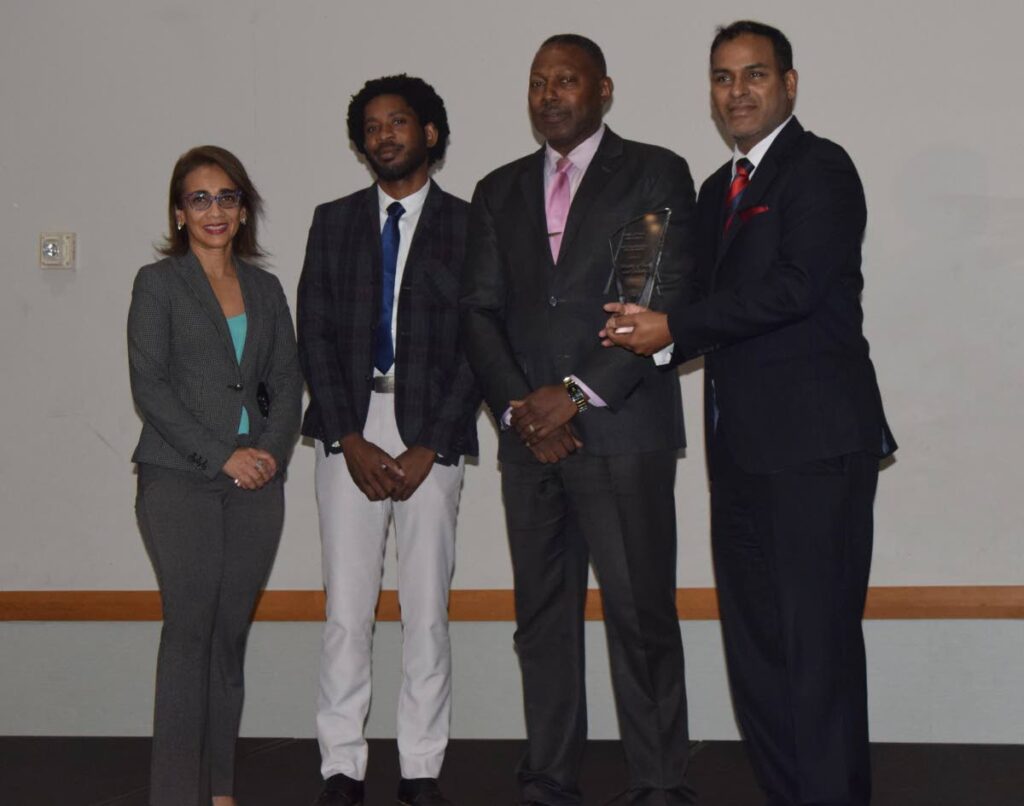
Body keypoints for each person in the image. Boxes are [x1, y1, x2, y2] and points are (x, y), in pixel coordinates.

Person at [603, 21, 897, 806]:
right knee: (758, 653)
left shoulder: (820, 169)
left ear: (789, 85)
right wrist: (646, 334)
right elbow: (699, 306)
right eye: (724, 78)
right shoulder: (713, 189)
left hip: (814, 454)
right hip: (738, 458)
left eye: (755, 75)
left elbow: (796, 288)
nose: (738, 91)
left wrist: (679, 328)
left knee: (817, 653)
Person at [460, 34, 697, 806]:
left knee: (640, 617)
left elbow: (651, 295)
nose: (550, 94)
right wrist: (522, 411)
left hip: (621, 430)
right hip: (531, 439)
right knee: (541, 620)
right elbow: (479, 313)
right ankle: (548, 776)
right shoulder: (497, 190)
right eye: (537, 82)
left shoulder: (654, 172)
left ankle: (659, 783)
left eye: (567, 80)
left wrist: (574, 392)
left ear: (604, 90)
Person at [297, 75, 480, 806]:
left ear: (429, 133)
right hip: (349, 430)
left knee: (426, 609)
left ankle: (420, 768)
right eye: (371, 127)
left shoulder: (471, 226)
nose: (384, 136)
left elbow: (478, 345)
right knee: (347, 610)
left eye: (398, 122)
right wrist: (348, 436)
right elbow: (313, 330)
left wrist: (430, 443)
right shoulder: (333, 220)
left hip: (430, 438)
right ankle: (341, 765)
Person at [129, 144, 302, 806]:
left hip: (256, 483)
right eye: (199, 198)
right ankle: (176, 793)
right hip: (178, 480)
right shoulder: (159, 285)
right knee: (190, 631)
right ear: (179, 212)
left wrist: (270, 452)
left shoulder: (264, 287)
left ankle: (221, 788)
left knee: (228, 637)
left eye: (226, 196)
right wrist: (221, 455)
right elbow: (152, 389)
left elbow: (286, 380)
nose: (214, 210)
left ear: (243, 208)